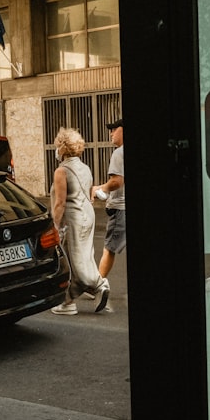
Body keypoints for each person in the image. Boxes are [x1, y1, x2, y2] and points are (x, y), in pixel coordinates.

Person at [50, 127, 110, 315]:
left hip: (73, 218)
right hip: (88, 214)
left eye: (57, 146)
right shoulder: (85, 168)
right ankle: (68, 302)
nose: (56, 150)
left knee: (74, 260)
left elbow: (60, 203)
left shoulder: (62, 171)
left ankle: (99, 284)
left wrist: (54, 225)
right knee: (83, 256)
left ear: (62, 148)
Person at [91, 118, 125, 285]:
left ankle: (97, 285)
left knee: (109, 248)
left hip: (120, 209)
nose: (111, 133)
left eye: (114, 129)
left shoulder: (119, 153)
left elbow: (116, 182)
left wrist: (99, 189)